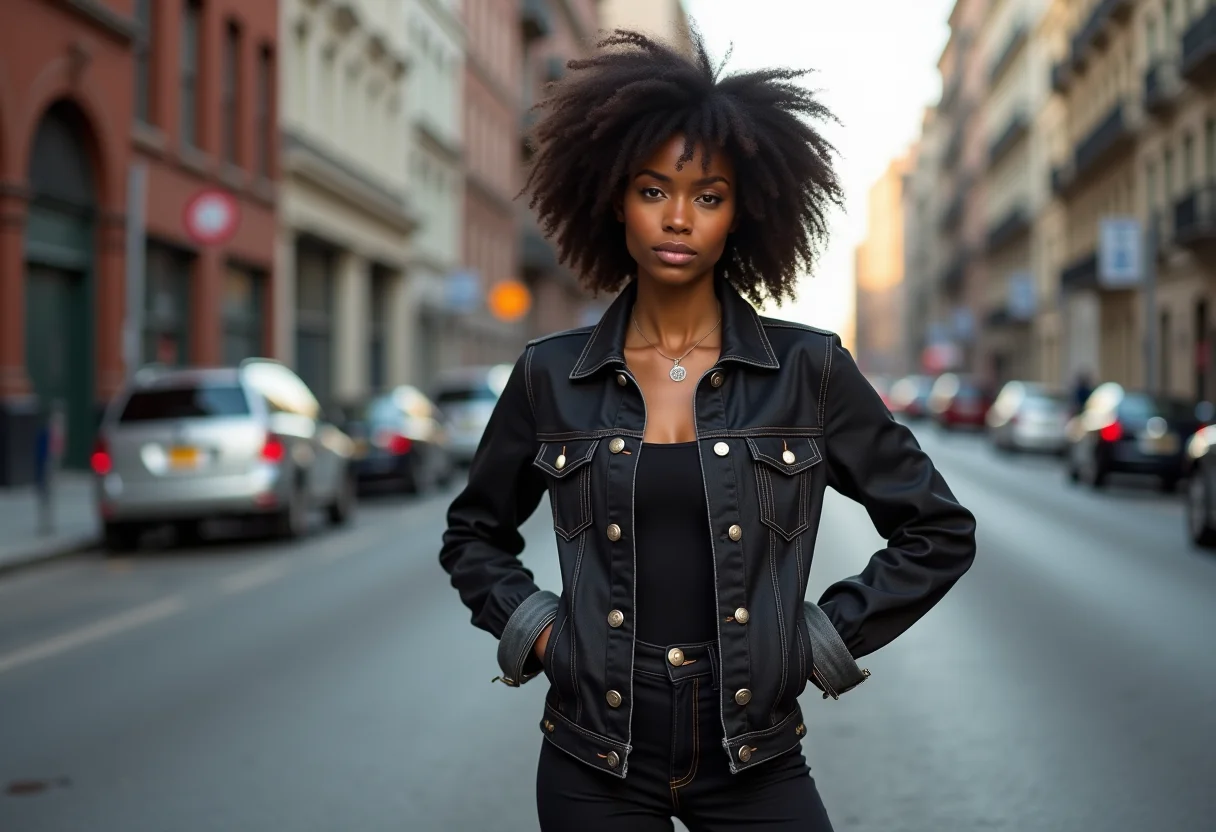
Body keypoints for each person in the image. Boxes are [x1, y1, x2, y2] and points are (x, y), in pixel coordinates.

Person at [439, 29, 977, 831]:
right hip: (594, 756)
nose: (680, 218)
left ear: (743, 213)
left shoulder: (810, 369)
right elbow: (473, 533)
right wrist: (539, 631)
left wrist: (818, 640)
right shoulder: (551, 374)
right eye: (653, 191)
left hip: (755, 755)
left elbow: (936, 529)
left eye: (709, 196)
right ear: (611, 200)